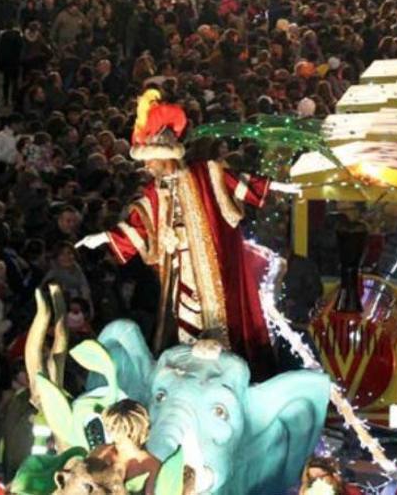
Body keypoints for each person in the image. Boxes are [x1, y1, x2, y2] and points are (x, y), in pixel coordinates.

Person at [76, 89, 301, 379]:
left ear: (164, 156)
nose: (147, 167)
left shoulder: (205, 173)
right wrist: (104, 237)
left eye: (151, 161)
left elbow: (241, 182)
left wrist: (280, 187)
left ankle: (222, 369)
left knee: (217, 317)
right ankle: (192, 371)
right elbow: (139, 223)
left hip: (210, 266)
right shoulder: (155, 191)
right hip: (180, 269)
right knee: (184, 319)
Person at [90, 399, 161, 495]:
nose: (113, 435)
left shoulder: (151, 466)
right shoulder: (102, 452)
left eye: (120, 430)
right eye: (111, 428)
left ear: (136, 431)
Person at [298, 456, 363, 495]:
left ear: (333, 475)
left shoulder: (352, 491)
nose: (317, 482)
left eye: (320, 477)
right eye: (313, 479)